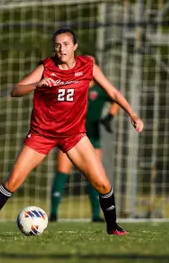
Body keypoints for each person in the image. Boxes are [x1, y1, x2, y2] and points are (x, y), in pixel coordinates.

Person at [0, 28, 143, 236]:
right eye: (57, 45)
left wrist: (133, 115)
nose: (61, 49)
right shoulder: (46, 67)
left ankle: (112, 227)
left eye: (65, 44)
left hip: (73, 134)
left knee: (102, 183)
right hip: (42, 134)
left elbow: (113, 92)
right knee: (12, 181)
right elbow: (16, 90)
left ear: (75, 46)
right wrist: (37, 84)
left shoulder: (88, 66)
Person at [49, 67, 120, 223]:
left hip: (92, 138)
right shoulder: (73, 85)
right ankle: (53, 214)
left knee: (94, 176)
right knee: (62, 172)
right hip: (69, 136)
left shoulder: (100, 90)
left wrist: (109, 117)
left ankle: (96, 215)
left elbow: (116, 99)